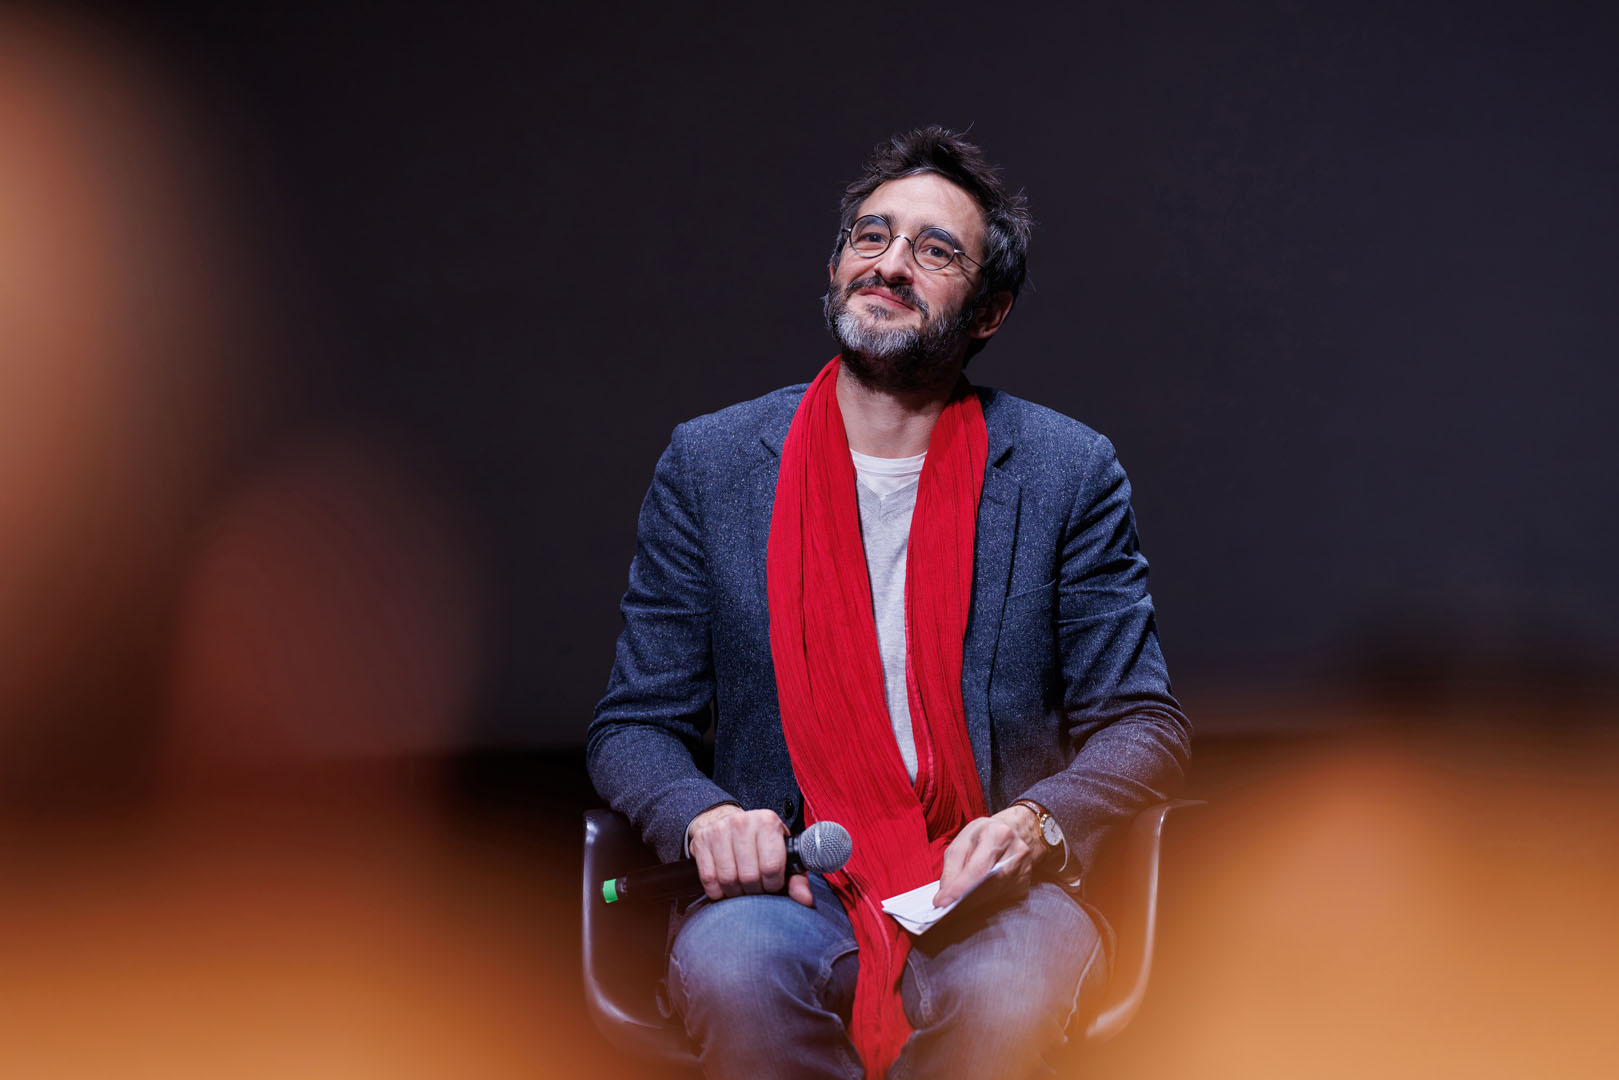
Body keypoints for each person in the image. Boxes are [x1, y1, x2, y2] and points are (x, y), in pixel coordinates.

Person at [587, 126, 1191, 1080]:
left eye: (934, 250)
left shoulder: (1065, 472)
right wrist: (704, 818)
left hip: (988, 889)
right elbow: (634, 725)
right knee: (737, 972)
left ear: (988, 311)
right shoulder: (711, 465)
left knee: (1005, 996)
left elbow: (1142, 724)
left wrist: (1033, 823)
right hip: (792, 886)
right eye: (871, 237)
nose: (891, 263)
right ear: (836, 266)